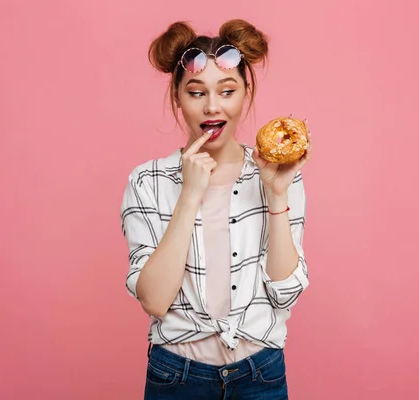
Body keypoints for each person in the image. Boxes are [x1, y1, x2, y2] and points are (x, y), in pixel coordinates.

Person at [120, 18, 310, 399]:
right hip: (177, 375)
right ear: (176, 96)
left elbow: (285, 294)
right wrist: (190, 194)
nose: (212, 106)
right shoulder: (148, 181)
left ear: (245, 94)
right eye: (196, 93)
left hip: (261, 374)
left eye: (227, 91)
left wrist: (275, 196)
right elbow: (154, 301)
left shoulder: (277, 173)